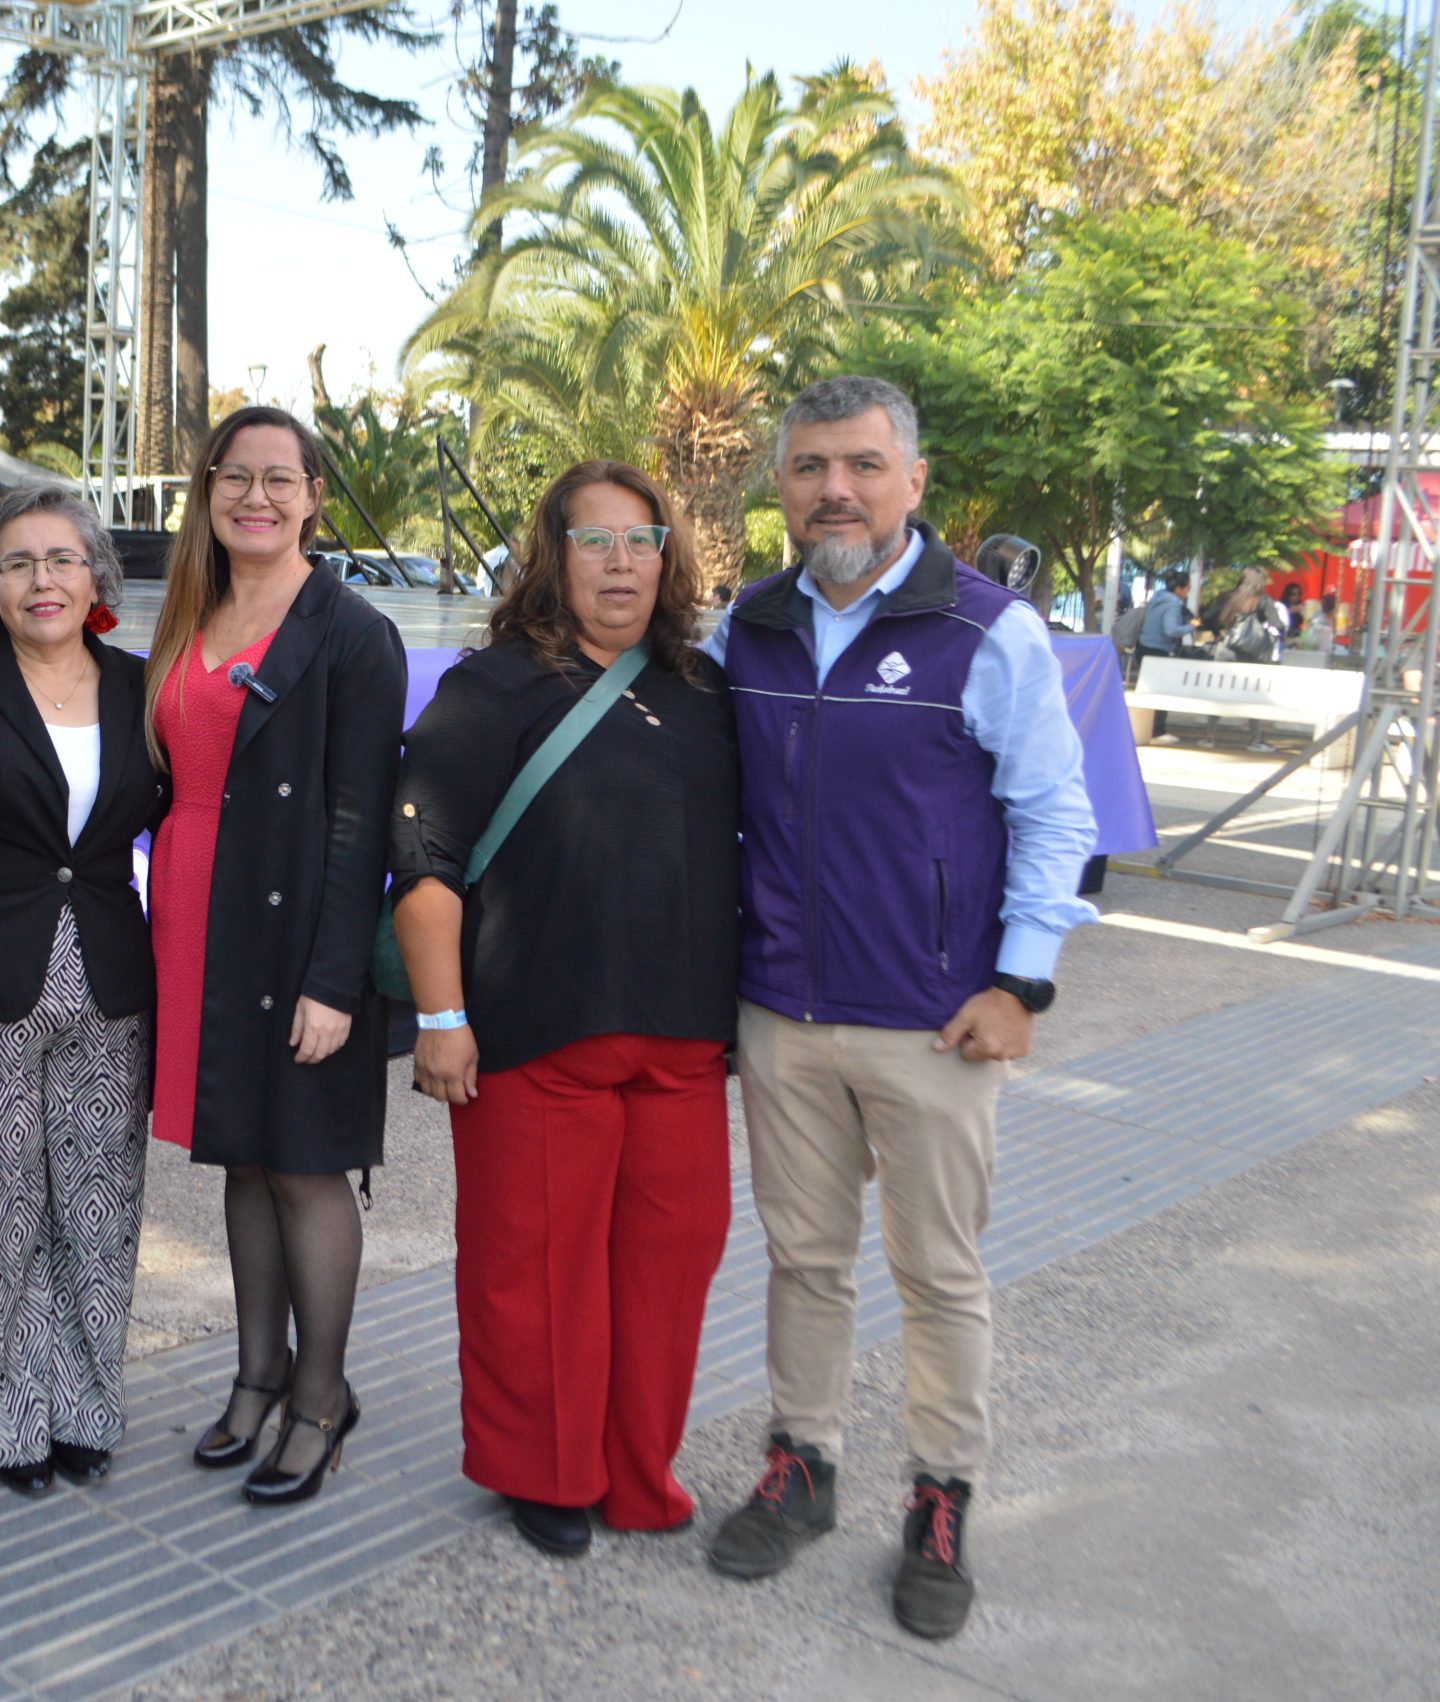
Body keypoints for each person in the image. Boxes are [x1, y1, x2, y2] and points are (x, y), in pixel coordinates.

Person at [699, 377, 1096, 1641]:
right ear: (781, 483)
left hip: (934, 1021)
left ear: (912, 482)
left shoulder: (988, 631)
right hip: (782, 1013)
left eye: (863, 466)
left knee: (938, 1272)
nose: (837, 491)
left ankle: (940, 1494)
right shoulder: (747, 627)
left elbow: (1054, 813)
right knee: (804, 1260)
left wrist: (1020, 981)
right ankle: (802, 1462)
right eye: (811, 466)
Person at [389, 460, 740, 1559]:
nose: (621, 563)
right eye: (595, 541)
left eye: (641, 541)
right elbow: (427, 862)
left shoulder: (703, 690)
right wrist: (440, 1021)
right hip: (534, 1035)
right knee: (532, 1271)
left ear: (668, 558)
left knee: (668, 1270)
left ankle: (637, 1470)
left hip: (682, 1042)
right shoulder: (491, 688)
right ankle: (543, 1472)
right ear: (554, 557)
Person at [145, 404, 407, 1506]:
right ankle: (257, 1376)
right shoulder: (188, 612)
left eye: (278, 479)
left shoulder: (351, 632)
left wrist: (333, 982)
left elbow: (361, 820)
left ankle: (321, 1397)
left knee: (303, 1162)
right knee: (241, 1157)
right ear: (206, 491)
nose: (255, 497)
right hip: (198, 922)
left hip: (296, 928)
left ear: (313, 498)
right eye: (234, 477)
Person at [0, 487, 167, 1496]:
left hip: (108, 975)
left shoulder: (142, 685)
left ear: (97, 575)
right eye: (16, 562)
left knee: (96, 1208)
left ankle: (82, 1409)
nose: (42, 579)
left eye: (62, 558)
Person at [1135, 568, 1194, 742]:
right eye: (1187, 588)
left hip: (1143, 646)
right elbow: (1171, 630)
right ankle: (1158, 730)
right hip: (1158, 650)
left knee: (1148, 691)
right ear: (1179, 589)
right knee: (1161, 691)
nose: (1188, 592)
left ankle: (1143, 728)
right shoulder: (1173, 604)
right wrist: (1192, 626)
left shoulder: (1157, 598)